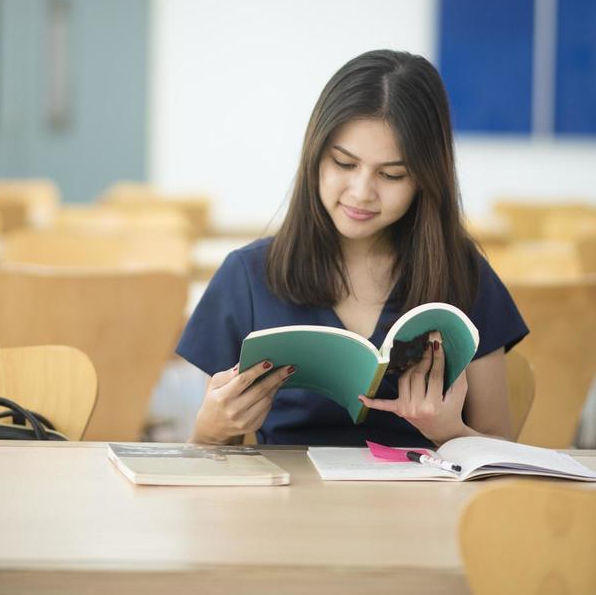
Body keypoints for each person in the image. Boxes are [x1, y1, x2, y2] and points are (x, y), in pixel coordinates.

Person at [176, 49, 528, 448]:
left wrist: (449, 432)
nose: (361, 193)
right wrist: (211, 429)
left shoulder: (464, 275)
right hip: (285, 506)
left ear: (426, 180)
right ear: (315, 157)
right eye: (344, 164)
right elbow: (206, 461)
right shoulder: (248, 276)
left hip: (423, 509)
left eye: (392, 174)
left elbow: (501, 447)